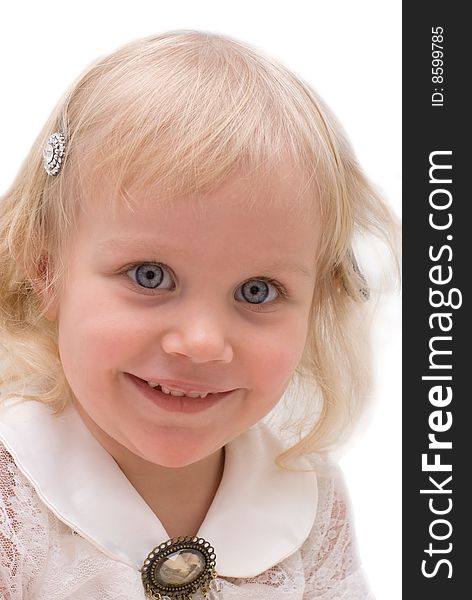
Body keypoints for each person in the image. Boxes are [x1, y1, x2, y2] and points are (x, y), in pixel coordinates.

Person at [0, 30, 398, 600]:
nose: (203, 341)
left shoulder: (305, 498)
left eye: (257, 291)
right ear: (46, 271)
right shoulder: (12, 495)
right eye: (150, 276)